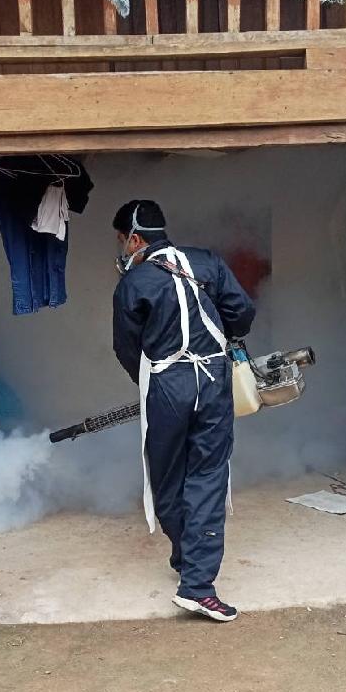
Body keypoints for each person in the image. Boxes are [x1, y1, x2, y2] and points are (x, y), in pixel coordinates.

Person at [111, 200, 256, 622]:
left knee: (167, 476)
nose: (122, 248)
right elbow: (242, 314)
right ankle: (197, 578)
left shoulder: (134, 282)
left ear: (134, 239)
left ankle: (192, 576)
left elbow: (126, 348)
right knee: (208, 477)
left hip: (166, 385)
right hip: (213, 378)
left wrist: (152, 377)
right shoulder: (207, 261)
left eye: (121, 240)